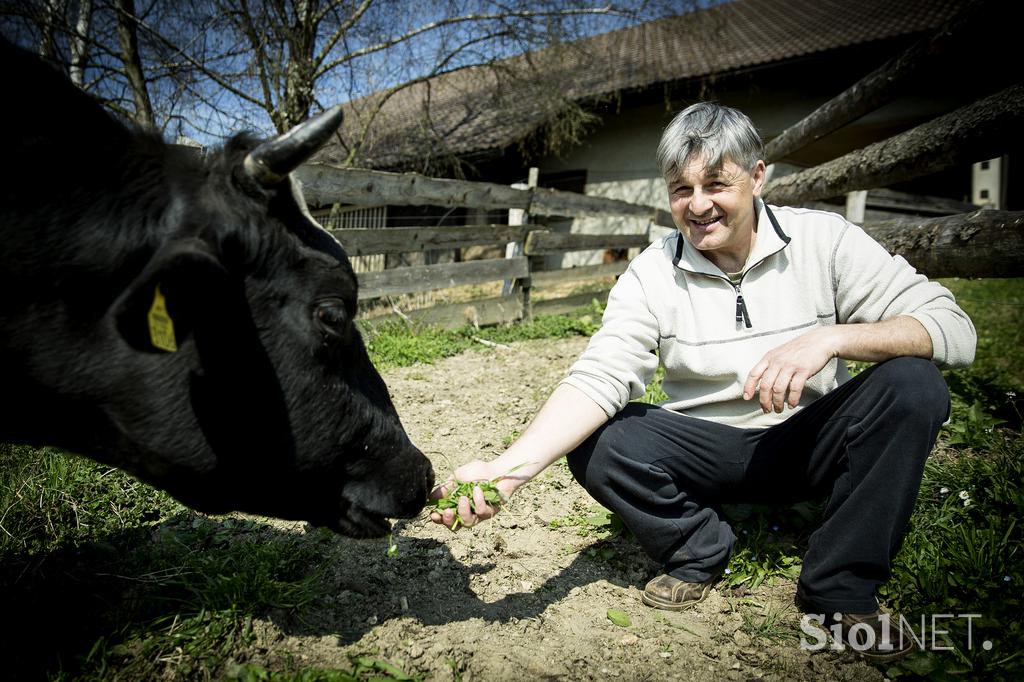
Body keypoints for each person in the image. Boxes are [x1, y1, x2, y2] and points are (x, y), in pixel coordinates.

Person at [429, 102, 976, 661]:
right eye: (680, 188)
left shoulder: (824, 240)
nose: (698, 205)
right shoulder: (651, 272)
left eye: (717, 183)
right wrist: (506, 472)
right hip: (708, 454)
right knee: (602, 439)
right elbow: (601, 374)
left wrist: (833, 338)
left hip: (807, 442)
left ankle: (839, 587)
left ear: (758, 176)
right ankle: (699, 545)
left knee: (913, 384)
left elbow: (952, 328)